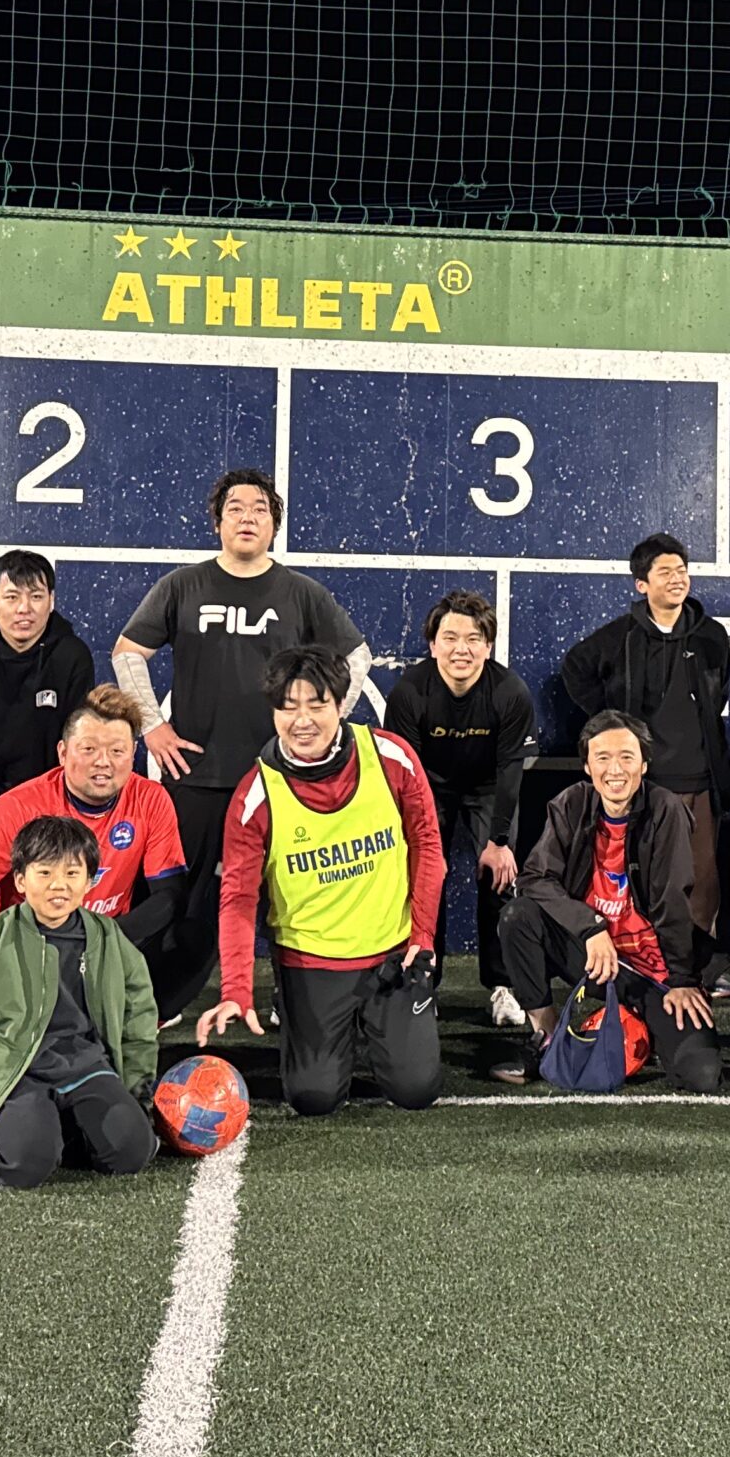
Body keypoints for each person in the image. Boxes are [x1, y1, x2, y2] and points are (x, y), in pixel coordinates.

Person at [114, 469, 370, 1018]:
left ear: (274, 524)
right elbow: (128, 652)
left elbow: (356, 658)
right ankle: (162, 1001)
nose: (248, 517)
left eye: (260, 509)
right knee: (185, 904)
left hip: (280, 779)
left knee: (293, 897)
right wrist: (151, 727)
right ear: (217, 522)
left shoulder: (302, 593)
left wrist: (317, 729)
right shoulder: (182, 586)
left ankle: (292, 999)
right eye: (235, 508)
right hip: (197, 777)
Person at [197, 646, 441, 1117]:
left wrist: (423, 935)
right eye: (288, 707)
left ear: (340, 704)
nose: (302, 720)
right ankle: (304, 1014)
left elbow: (427, 844)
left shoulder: (391, 756)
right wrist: (236, 989)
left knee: (417, 1090)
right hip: (311, 965)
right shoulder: (255, 796)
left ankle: (390, 1028)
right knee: (313, 1098)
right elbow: (238, 899)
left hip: (392, 954)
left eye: (316, 704)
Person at [0, 688, 185, 1027]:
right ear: (63, 752)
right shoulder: (19, 807)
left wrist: (98, 941)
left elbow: (169, 896)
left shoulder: (151, 799)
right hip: (27, 951)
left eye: (117, 751)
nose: (103, 761)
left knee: (193, 936)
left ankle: (140, 1020)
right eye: (88, 749)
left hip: (103, 947)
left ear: (133, 754)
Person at [0, 816, 159, 1189]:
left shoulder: (109, 939)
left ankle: (61, 1129)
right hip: (16, 1073)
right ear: (20, 880)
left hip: (86, 1068)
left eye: (72, 873)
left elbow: (139, 1019)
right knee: (25, 1166)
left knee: (132, 1153)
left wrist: (136, 1094)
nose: (58, 885)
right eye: (44, 872)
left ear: (90, 881)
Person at [494, 710, 722, 1092]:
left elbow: (672, 902)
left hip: (649, 969)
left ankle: (641, 1024)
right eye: (602, 758)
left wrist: (683, 980)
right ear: (587, 766)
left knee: (701, 1074)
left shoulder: (666, 811)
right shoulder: (570, 804)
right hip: (593, 955)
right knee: (518, 916)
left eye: (627, 757)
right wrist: (590, 927)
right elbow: (534, 878)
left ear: (644, 764)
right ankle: (546, 1035)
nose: (615, 770)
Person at [559, 532, 730, 989]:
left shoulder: (712, 636)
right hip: (646, 786)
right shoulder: (620, 636)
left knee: (702, 882)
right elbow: (574, 668)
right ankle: (645, 968)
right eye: (665, 572)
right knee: (650, 884)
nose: (677, 579)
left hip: (701, 780)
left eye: (682, 571)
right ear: (642, 584)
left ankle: (696, 971)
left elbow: (719, 694)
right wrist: (610, 720)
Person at [383, 590, 539, 1027]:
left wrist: (499, 841)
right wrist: (424, 848)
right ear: (433, 645)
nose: (461, 649)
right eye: (450, 638)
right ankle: (424, 983)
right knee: (424, 878)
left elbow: (511, 771)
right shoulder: (410, 692)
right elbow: (405, 774)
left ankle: (503, 986)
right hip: (428, 786)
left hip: (489, 787)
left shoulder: (509, 692)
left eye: (473, 639)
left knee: (498, 878)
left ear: (488, 647)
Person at [0, 550, 95, 858]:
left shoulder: (73, 656)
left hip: (50, 803)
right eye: (12, 597)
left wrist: (70, 810)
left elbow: (77, 741)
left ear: (51, 600)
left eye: (36, 596)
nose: (24, 608)